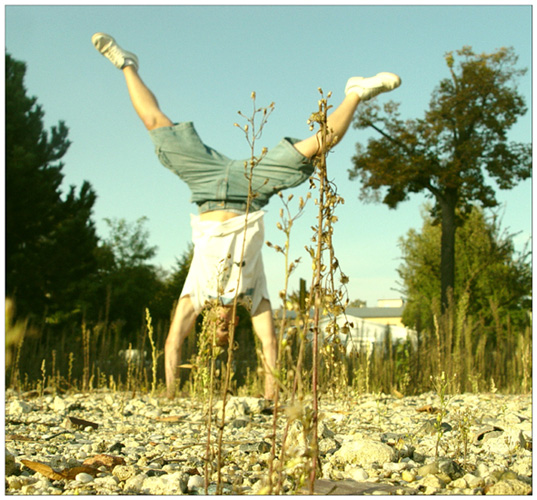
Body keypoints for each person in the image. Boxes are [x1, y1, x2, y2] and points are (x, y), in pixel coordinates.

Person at [91, 32, 401, 400]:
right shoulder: (254, 299)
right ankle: (357, 91)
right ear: (235, 326)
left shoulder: (195, 297)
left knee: (155, 124)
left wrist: (170, 394)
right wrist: (270, 399)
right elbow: (270, 346)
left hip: (205, 187)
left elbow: (173, 343)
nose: (223, 326)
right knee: (319, 145)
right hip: (252, 189)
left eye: (216, 331)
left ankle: (126, 64)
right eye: (228, 331)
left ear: (207, 329)